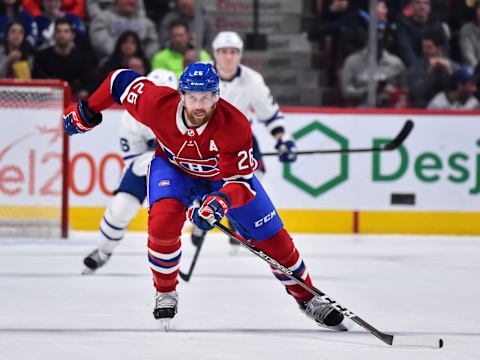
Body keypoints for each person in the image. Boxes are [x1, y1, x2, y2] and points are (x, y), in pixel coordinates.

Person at [63, 62, 348, 331]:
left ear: (216, 97)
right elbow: (118, 81)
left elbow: (242, 184)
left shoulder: (234, 124)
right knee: (162, 225)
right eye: (193, 98)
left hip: (223, 180)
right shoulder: (155, 104)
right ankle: (165, 292)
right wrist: (86, 111)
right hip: (173, 169)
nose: (199, 106)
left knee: (274, 239)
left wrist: (221, 202)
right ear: (181, 95)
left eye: (206, 98)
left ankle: (308, 297)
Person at [197, 31, 296, 249]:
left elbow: (269, 114)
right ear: (216, 54)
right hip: (204, 141)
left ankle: (238, 221)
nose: (228, 57)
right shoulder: (200, 74)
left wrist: (283, 140)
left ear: (240, 54)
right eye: (224, 52)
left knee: (254, 178)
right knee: (199, 182)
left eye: (233, 52)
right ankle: (205, 216)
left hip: (241, 141)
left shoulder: (253, 80)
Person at [82, 68, 178, 274]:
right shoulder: (131, 118)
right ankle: (103, 252)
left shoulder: (189, 114)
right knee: (120, 208)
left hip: (183, 171)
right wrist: (159, 161)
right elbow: (134, 160)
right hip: (146, 166)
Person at [32, 18, 92, 99]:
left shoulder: (82, 57)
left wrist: (85, 91)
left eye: (66, 31)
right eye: (58, 31)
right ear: (54, 35)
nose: (62, 35)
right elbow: (37, 80)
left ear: (72, 35)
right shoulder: (42, 57)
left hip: (74, 102)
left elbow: (89, 83)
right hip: (47, 101)